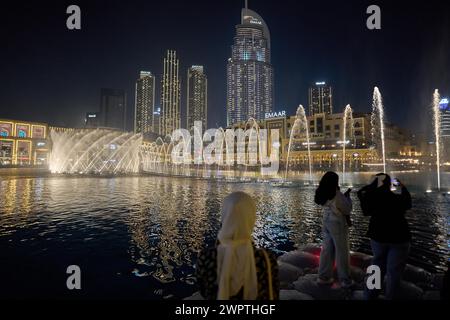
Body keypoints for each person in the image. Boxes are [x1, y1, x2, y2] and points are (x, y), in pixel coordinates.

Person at [195, 191, 279, 300]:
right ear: (251, 219)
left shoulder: (206, 257)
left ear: (225, 217)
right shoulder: (266, 259)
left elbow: (204, 292)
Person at [357, 173, 412, 300]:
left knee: (376, 266)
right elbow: (408, 204)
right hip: (399, 236)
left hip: (378, 236)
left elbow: (366, 211)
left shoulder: (373, 196)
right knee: (394, 272)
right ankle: (391, 296)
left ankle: (370, 295)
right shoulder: (395, 194)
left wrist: (365, 191)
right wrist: (401, 186)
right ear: (389, 183)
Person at [314, 171, 353, 288]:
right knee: (342, 251)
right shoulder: (336, 194)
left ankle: (323, 276)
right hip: (337, 223)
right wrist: (348, 198)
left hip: (326, 221)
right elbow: (347, 209)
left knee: (327, 249)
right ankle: (345, 279)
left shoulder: (322, 192)